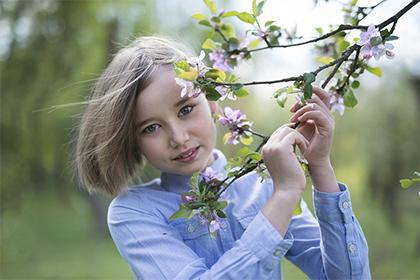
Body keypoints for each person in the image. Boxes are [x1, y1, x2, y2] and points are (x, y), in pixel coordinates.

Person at [75, 36, 371, 279]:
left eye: (186, 109)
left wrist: (319, 166)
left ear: (213, 102)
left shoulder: (263, 183)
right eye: (151, 127)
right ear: (133, 141)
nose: (178, 138)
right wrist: (284, 196)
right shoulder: (136, 212)